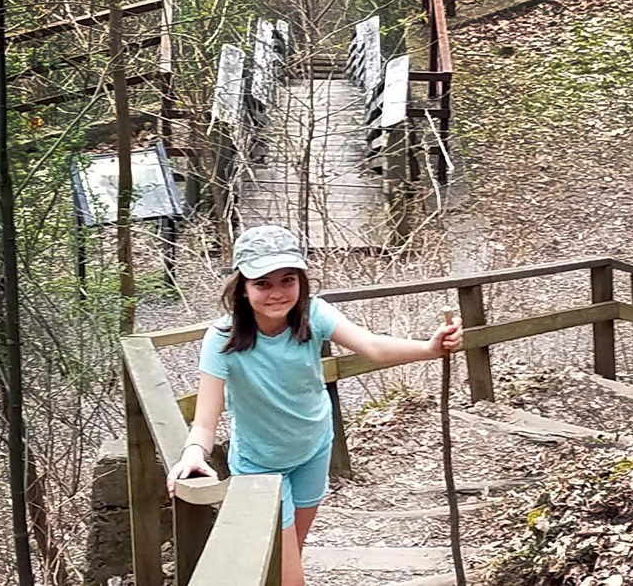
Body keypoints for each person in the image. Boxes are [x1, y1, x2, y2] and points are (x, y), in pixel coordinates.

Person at [166, 225, 463, 586]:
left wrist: (429, 349)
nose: (277, 293)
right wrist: (194, 454)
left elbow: (372, 347)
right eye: (263, 283)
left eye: (287, 280)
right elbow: (205, 421)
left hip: (314, 449)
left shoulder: (314, 314)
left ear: (300, 282)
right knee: (290, 577)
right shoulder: (222, 338)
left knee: (287, 560)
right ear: (242, 287)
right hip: (260, 467)